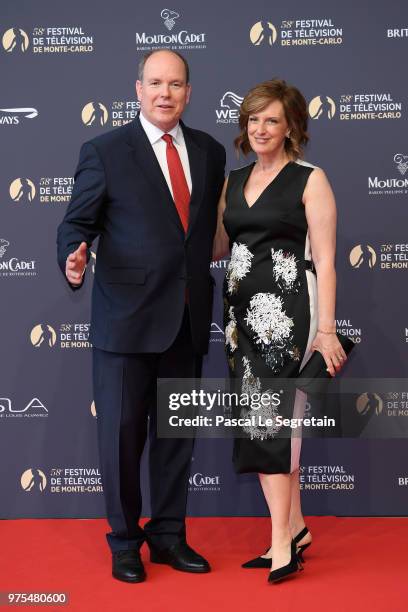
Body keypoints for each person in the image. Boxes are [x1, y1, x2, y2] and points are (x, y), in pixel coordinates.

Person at [57, 49, 225, 583]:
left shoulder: (210, 151)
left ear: (189, 93)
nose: (165, 93)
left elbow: (205, 233)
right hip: (126, 322)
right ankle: (125, 541)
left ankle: (169, 536)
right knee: (122, 441)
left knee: (177, 438)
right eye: (155, 83)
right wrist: (74, 254)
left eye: (175, 84)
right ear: (138, 89)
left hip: (187, 319)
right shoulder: (105, 150)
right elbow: (75, 222)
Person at [213, 79, 346, 583]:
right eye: (253, 119)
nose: (261, 128)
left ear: (291, 125)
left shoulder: (310, 179)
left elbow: (328, 262)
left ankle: (281, 543)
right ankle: (296, 526)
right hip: (240, 318)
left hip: (290, 315)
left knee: (273, 425)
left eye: (271, 119)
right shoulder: (234, 180)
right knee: (267, 423)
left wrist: (327, 331)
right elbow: (218, 247)